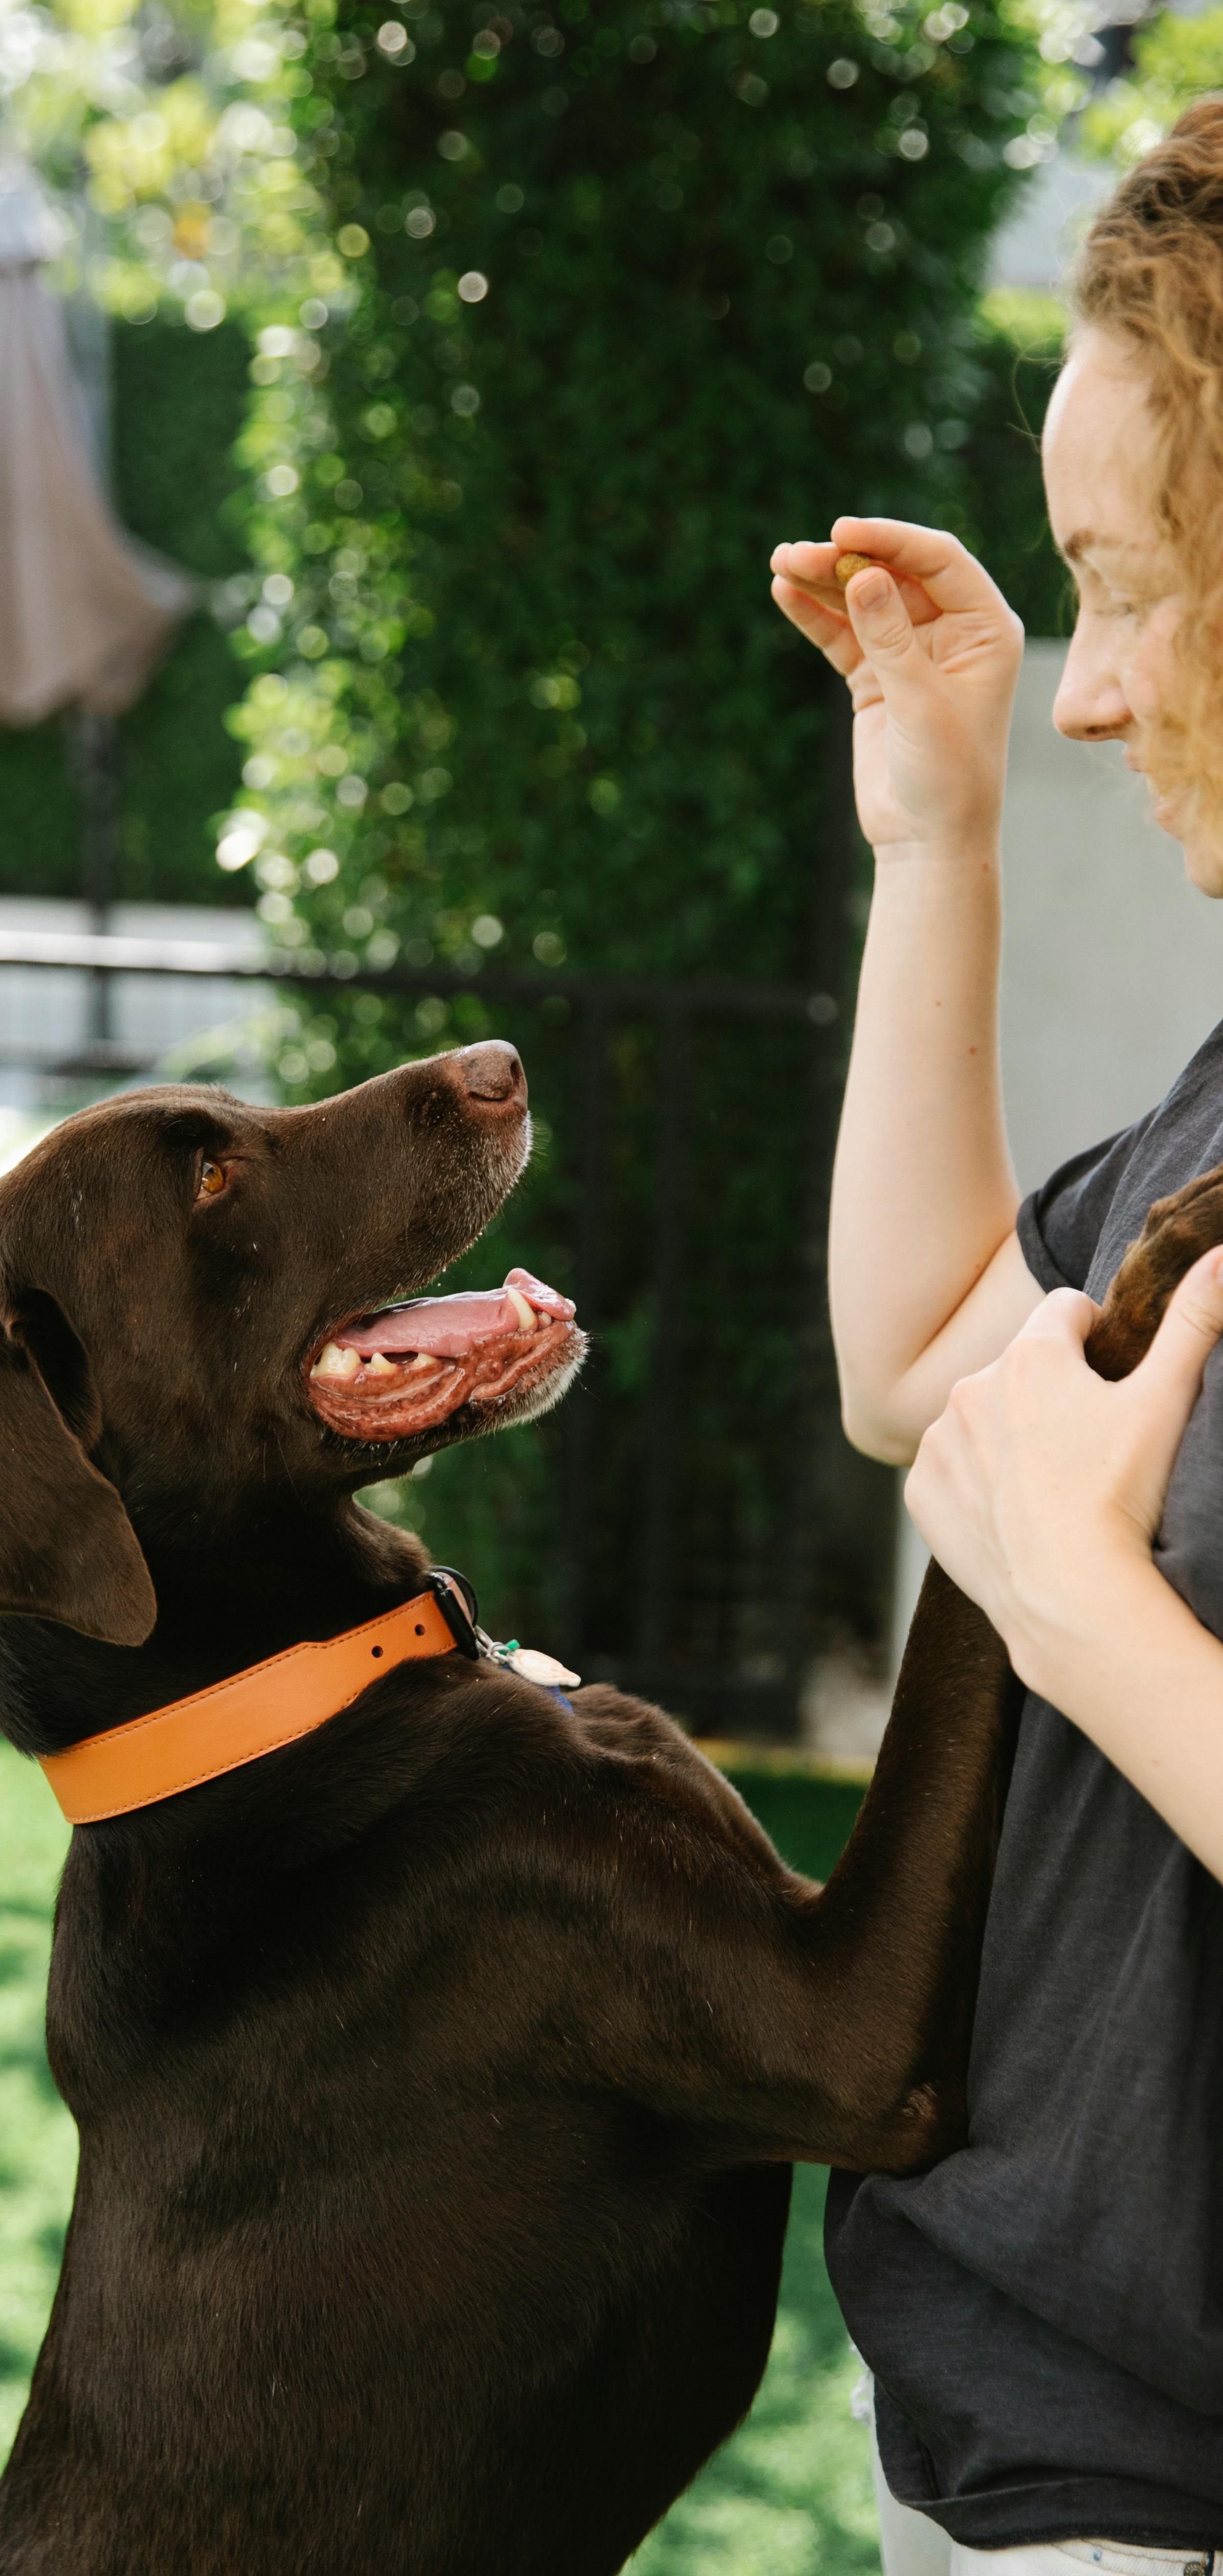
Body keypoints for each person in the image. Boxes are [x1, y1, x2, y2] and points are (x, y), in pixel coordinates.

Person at [769, 103, 1223, 2576]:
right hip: (1000, 2419)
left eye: (1129, 586)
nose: (1086, 691)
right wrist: (931, 835)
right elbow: (934, 1364)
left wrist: (1082, 1613)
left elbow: (1034, 1521)